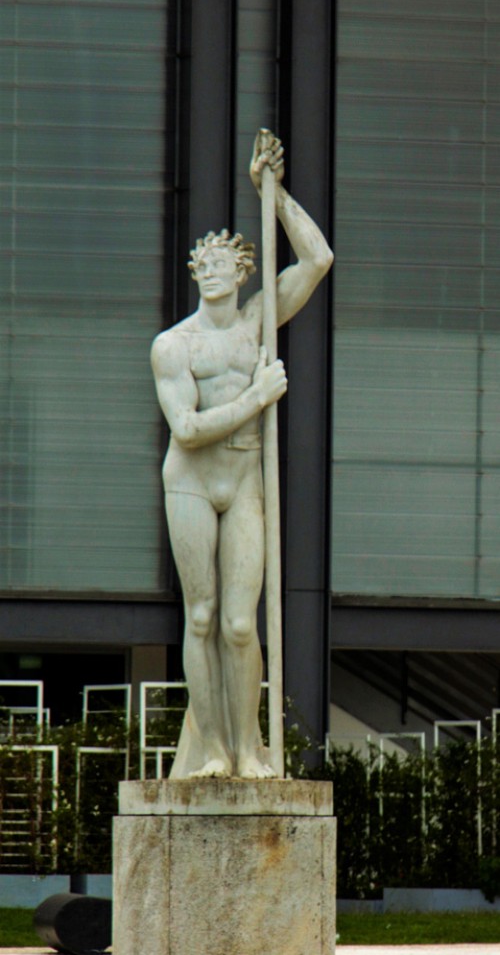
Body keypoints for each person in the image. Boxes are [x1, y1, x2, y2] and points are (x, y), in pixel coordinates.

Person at [151, 133, 333, 779]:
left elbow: (317, 258)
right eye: (204, 263)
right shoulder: (175, 346)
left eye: (226, 262)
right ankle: (211, 752)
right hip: (193, 482)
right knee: (199, 615)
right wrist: (257, 397)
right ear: (195, 273)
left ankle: (249, 746)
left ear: (243, 271)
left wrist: (272, 192)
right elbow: (187, 427)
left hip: (245, 479)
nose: (214, 270)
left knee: (237, 623)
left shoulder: (259, 322)